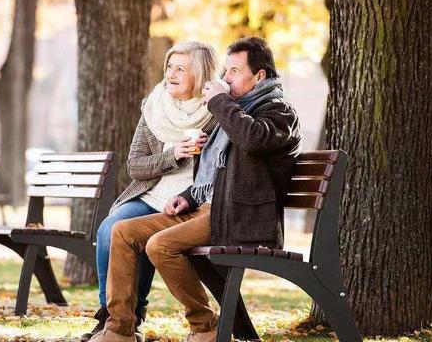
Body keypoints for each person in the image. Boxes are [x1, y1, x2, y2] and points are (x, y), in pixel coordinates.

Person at [92, 37, 302, 342]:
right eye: (225, 70)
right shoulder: (235, 111)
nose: (225, 78)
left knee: (159, 246)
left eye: (234, 71)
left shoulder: (279, 113)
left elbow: (253, 139)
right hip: (209, 210)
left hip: (240, 216)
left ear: (260, 76)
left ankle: (205, 325)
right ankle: (119, 328)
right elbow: (214, 173)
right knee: (122, 232)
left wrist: (220, 103)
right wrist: (186, 196)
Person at [82, 41, 220, 341]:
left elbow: (218, 170)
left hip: (190, 203)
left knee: (137, 235)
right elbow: (135, 166)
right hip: (151, 195)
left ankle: (134, 314)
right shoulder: (155, 107)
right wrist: (173, 154)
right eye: (169, 66)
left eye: (181, 68)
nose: (171, 73)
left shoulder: (217, 112)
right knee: (111, 227)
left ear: (199, 73)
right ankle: (111, 316)